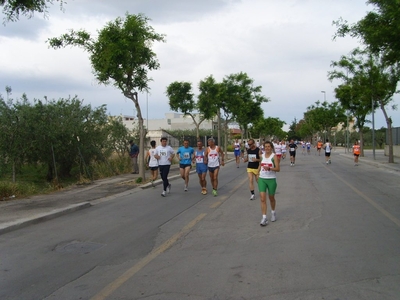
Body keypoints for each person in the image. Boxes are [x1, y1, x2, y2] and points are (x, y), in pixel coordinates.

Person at [258, 141, 280, 226]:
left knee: (271, 198)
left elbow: (278, 169)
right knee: (263, 199)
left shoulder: (274, 157)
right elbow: (260, 165)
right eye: (265, 146)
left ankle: (273, 212)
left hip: (271, 179)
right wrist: (257, 172)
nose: (267, 148)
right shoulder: (261, 156)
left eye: (268, 146)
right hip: (262, 179)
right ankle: (264, 218)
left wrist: (270, 168)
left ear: (271, 147)